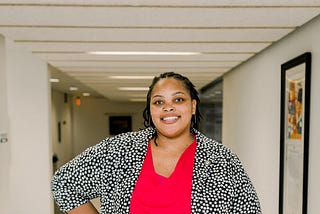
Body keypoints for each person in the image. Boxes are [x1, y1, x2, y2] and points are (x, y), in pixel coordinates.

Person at [51, 72, 261, 213]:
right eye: (159, 101)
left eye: (178, 99)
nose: (168, 107)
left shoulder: (221, 160)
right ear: (151, 110)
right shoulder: (119, 149)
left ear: (193, 106)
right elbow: (64, 183)